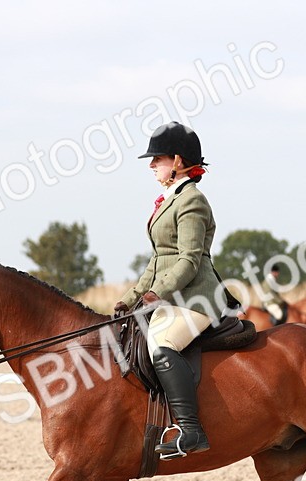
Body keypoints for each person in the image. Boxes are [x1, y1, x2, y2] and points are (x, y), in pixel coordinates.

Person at [113, 121, 224, 459]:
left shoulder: (193, 201)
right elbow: (159, 260)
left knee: (161, 343)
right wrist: (131, 298)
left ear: (177, 160)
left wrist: (157, 292)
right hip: (173, 296)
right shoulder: (168, 201)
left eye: (157, 158)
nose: (151, 166)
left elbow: (189, 260)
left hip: (197, 299)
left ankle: (191, 430)